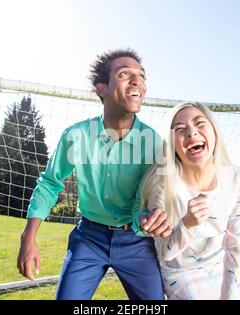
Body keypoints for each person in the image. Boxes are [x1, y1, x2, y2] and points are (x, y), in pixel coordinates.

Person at [17, 48, 165, 300]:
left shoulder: (154, 143)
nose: (137, 80)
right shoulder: (76, 136)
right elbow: (50, 183)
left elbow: (157, 197)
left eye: (141, 75)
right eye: (125, 74)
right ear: (102, 88)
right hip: (88, 238)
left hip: (136, 241)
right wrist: (28, 237)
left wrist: (154, 216)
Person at [132, 101, 240, 300]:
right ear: (172, 144)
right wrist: (187, 224)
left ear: (214, 130)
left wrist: (231, 294)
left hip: (220, 269)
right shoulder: (162, 184)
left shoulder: (236, 179)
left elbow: (236, 246)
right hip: (180, 273)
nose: (191, 132)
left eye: (199, 123)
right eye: (180, 129)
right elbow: (166, 252)